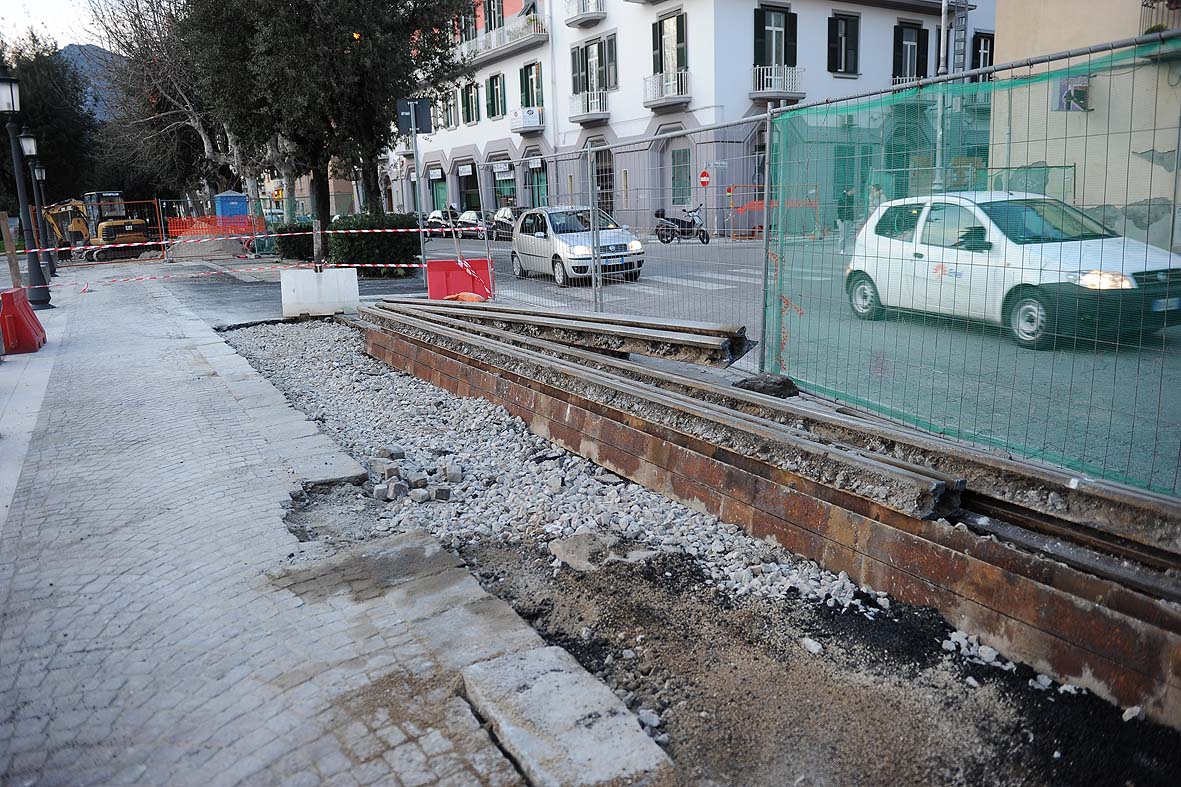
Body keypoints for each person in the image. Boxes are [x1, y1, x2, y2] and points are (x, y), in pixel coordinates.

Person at [836, 186, 855, 253]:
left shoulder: (851, 198)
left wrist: (852, 218)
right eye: (852, 190)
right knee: (842, 235)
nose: (854, 191)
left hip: (848, 218)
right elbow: (839, 209)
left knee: (846, 235)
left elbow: (851, 209)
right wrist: (842, 218)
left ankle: (844, 249)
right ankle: (842, 249)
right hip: (842, 219)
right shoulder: (842, 198)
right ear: (849, 191)